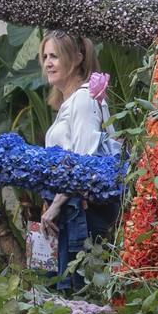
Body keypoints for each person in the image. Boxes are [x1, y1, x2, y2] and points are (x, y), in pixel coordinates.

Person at [37, 31, 119, 286]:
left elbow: (83, 161)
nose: (48, 63)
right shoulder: (70, 101)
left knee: (79, 292)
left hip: (82, 213)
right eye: (45, 56)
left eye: (55, 56)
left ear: (77, 58)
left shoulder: (84, 99)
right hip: (69, 208)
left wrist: (55, 205)